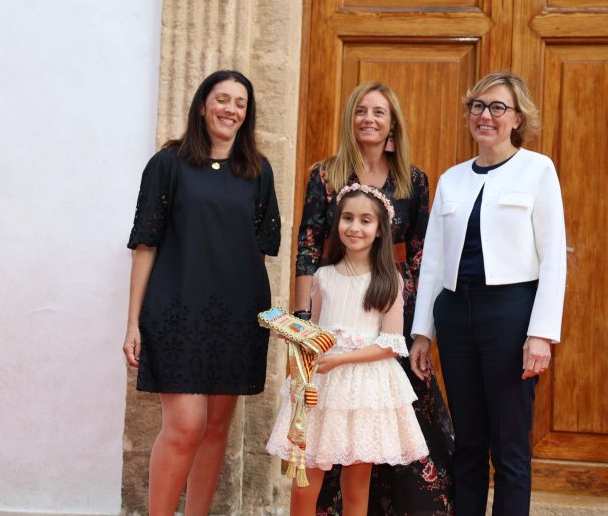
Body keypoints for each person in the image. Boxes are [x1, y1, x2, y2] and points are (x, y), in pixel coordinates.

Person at [122, 70, 280, 516]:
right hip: (175, 312)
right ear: (202, 104)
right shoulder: (168, 165)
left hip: (236, 315)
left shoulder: (257, 171)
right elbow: (146, 245)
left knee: (214, 428)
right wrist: (133, 322)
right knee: (186, 425)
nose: (230, 109)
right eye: (222, 99)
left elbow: (259, 247)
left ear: (247, 115)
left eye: (240, 103)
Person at [410, 71, 566, 516]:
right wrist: (423, 333)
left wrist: (541, 334)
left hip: (511, 315)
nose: (486, 116)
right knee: (469, 443)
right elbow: (434, 263)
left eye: (498, 108)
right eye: (478, 106)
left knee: (510, 447)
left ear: (517, 118)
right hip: (457, 316)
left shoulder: (538, 170)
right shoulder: (451, 179)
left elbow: (553, 256)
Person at [294, 81, 454, 514]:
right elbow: (308, 246)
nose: (369, 118)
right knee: (330, 431)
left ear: (392, 124)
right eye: (361, 110)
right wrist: (303, 322)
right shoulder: (325, 174)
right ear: (351, 118)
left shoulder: (413, 179)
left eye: (379, 112)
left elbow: (422, 254)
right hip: (336, 302)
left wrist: (416, 328)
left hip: (387, 304)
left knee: (395, 425)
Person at [268, 184, 429, 516]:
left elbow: (391, 343)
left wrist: (343, 358)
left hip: (365, 390)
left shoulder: (388, 281)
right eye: (348, 218)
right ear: (337, 223)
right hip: (321, 389)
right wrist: (299, 339)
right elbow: (315, 329)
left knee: (356, 487)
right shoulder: (323, 277)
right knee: (304, 481)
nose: (355, 227)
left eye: (366, 221)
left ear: (380, 230)